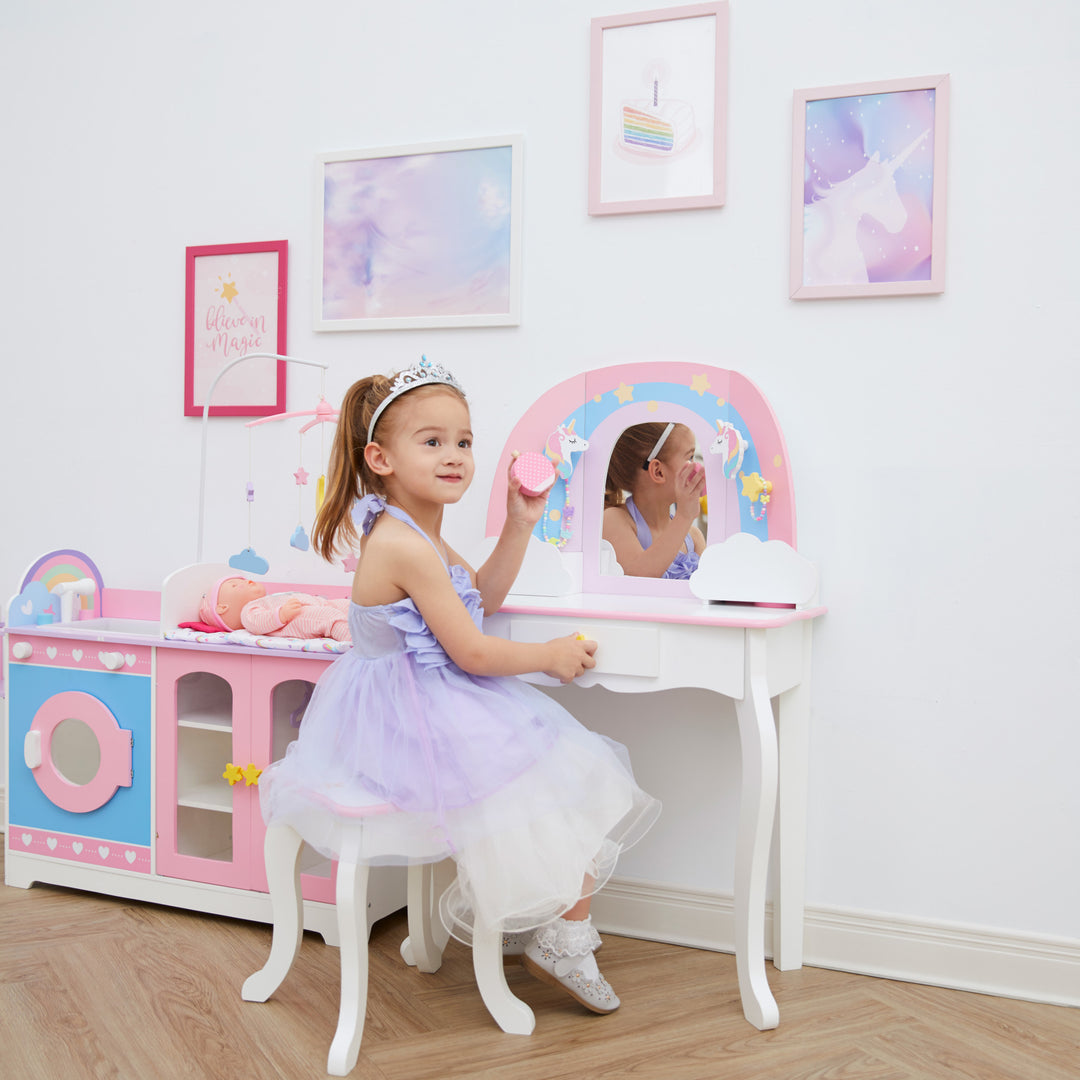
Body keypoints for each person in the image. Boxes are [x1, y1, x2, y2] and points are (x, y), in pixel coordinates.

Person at [258, 357, 660, 1014]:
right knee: (567, 773)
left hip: (428, 697)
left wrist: (520, 524)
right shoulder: (403, 544)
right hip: (404, 717)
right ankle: (559, 934)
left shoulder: (424, 536)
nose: (455, 456)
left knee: (566, 774)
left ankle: (547, 920)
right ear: (380, 459)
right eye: (433, 441)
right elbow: (472, 652)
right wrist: (549, 657)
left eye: (464, 442)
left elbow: (482, 601)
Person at [602, 421, 706, 579]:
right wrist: (684, 516)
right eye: (689, 457)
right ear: (658, 472)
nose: (696, 466)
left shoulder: (694, 537)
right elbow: (639, 578)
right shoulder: (614, 520)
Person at [198, 577, 350, 641]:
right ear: (223, 608)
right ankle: (355, 640)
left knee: (348, 606)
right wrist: (281, 614)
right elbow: (258, 622)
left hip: (318, 604)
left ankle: (370, 621)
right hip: (299, 618)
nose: (247, 581)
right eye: (234, 585)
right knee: (330, 618)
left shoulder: (267, 599)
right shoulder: (248, 612)